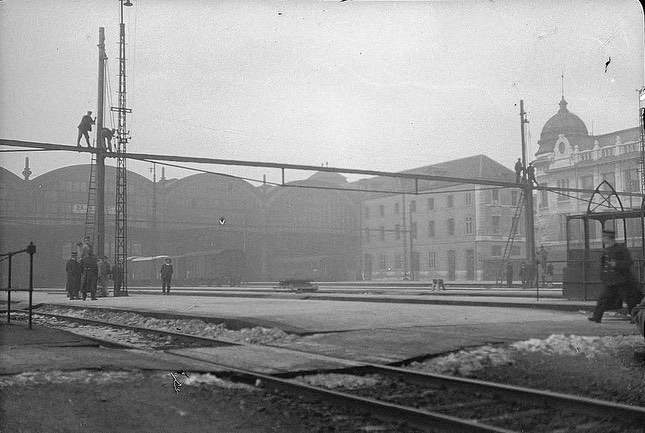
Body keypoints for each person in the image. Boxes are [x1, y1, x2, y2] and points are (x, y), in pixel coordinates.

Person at [589, 229, 643, 323]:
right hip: (611, 281)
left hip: (623, 280)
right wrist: (603, 276)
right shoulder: (605, 250)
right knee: (603, 298)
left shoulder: (621, 249)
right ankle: (596, 317)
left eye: (604, 237)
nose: (602, 239)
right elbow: (603, 265)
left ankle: (635, 318)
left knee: (630, 300)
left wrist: (616, 264)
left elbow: (629, 262)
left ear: (610, 238)